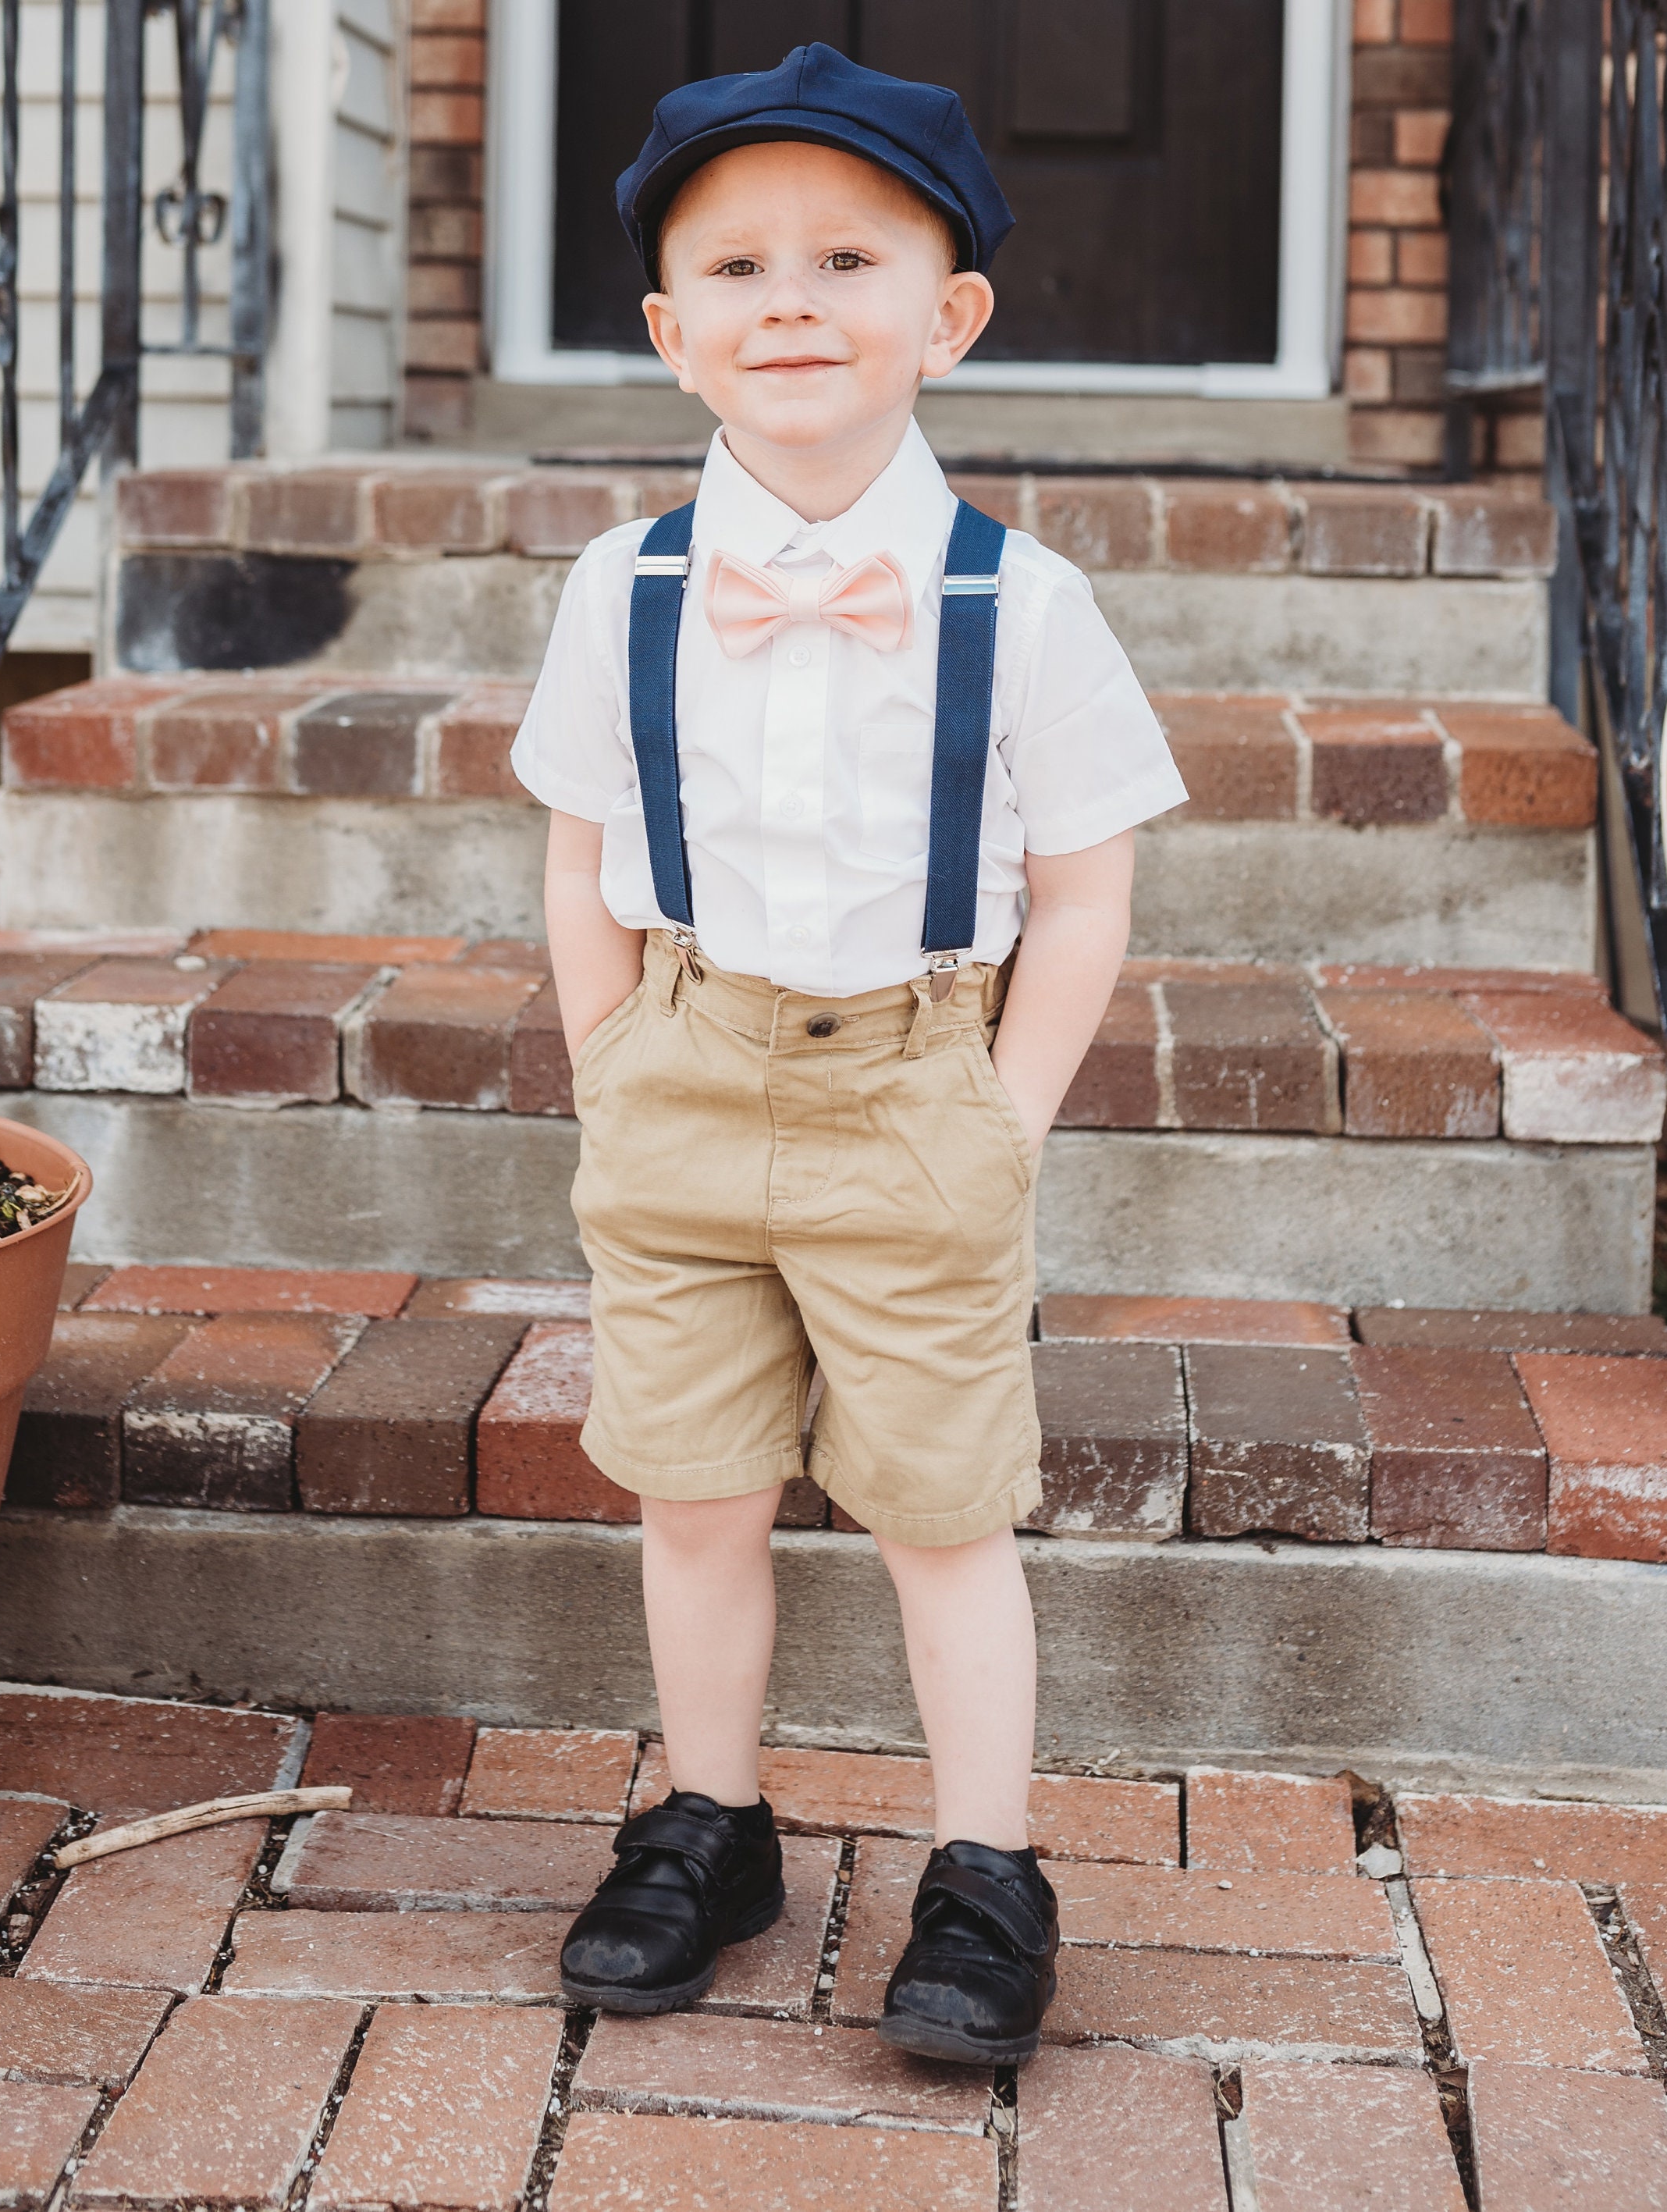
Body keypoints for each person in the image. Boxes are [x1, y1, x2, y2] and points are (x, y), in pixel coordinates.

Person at [510, 42, 1186, 2065]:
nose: (788, 299)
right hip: (684, 1079)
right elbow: (575, 865)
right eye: (736, 267)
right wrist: (613, 1065)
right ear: (672, 333)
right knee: (697, 1494)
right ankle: (709, 1822)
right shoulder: (621, 587)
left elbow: (1085, 891)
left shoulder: (1025, 603)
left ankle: (987, 1870)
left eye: (847, 257)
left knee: (939, 1507)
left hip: (916, 1091)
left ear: (947, 316)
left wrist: (1001, 1117)